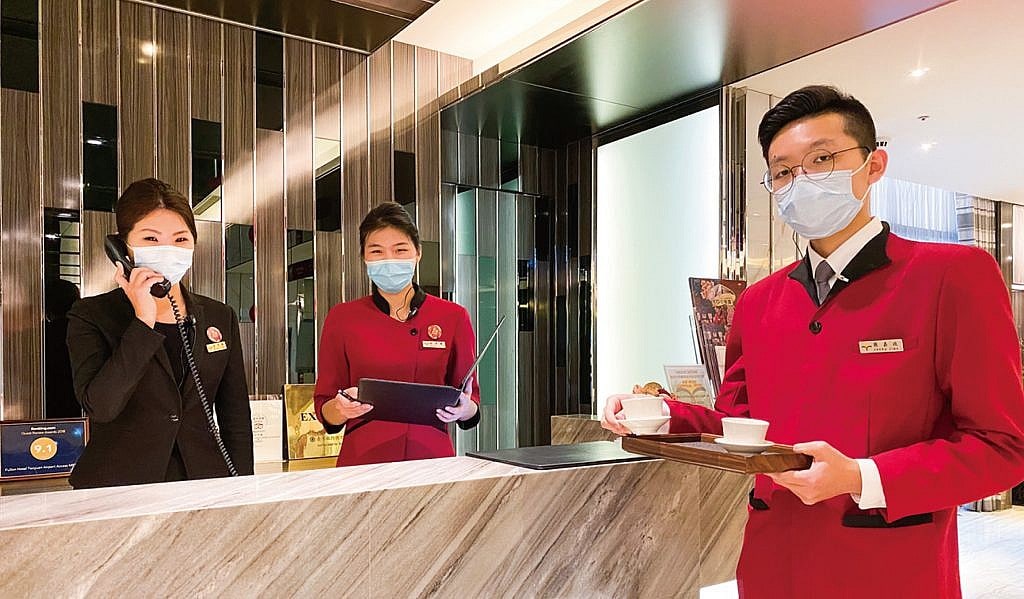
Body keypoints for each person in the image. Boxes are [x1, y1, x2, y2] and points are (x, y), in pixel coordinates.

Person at [602, 86, 1024, 598]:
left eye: (822, 158)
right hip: (772, 563)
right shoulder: (757, 302)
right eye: (782, 172)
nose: (800, 181)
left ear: (873, 165)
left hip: (889, 571)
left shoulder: (951, 276)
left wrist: (861, 477)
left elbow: (1002, 446)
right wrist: (666, 414)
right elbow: (743, 425)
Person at [66, 178, 253, 489]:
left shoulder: (219, 315)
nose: (167, 250)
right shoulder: (90, 315)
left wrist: (245, 487)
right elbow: (101, 406)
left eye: (180, 240)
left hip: (205, 481)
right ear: (121, 247)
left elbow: (235, 415)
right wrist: (143, 321)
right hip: (120, 484)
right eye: (151, 239)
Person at [314, 202, 481, 466]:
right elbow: (325, 405)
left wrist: (465, 408)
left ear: (418, 253)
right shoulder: (343, 317)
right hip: (363, 460)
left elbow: (471, 402)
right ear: (364, 258)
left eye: (400, 250)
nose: (389, 259)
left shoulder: (453, 316)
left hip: (432, 459)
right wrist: (340, 409)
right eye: (377, 251)